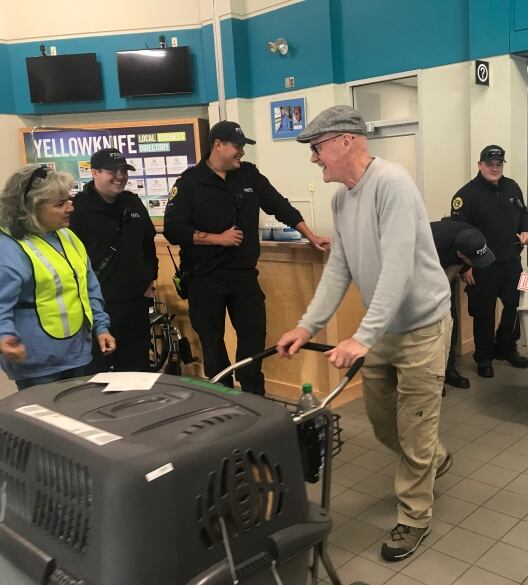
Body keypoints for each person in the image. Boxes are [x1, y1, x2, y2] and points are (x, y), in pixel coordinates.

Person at [276, 106, 452, 562]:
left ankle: (414, 516)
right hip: (381, 331)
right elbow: (340, 268)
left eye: (316, 148)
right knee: (383, 423)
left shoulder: (391, 184)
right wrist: (306, 325)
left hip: (421, 328)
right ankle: (433, 457)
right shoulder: (341, 200)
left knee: (414, 427)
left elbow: (397, 268)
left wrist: (362, 336)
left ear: (346, 141)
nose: (314, 159)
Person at [164, 120, 329, 395]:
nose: (242, 152)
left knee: (253, 339)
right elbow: (172, 229)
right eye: (237, 146)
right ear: (218, 145)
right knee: (212, 344)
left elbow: (279, 205)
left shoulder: (249, 175)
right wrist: (218, 238)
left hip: (243, 277)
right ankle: (223, 399)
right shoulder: (190, 182)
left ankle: (254, 400)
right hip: (204, 278)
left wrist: (309, 235)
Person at [0, 165, 115, 390]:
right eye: (60, 204)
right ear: (31, 208)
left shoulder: (68, 236)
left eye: (69, 199)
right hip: (37, 363)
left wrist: (101, 327)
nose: (71, 208)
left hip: (77, 354)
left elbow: (88, 286)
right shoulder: (10, 246)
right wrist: (4, 336)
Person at [70, 148, 158, 373]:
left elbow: (148, 243)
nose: (120, 176)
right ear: (95, 172)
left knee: (137, 368)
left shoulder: (133, 204)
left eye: (124, 171)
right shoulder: (77, 209)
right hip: (99, 307)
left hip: (135, 303)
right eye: (112, 171)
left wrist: (151, 276)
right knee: (98, 372)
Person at [450, 145, 528, 378]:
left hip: (512, 262)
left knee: (516, 306)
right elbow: (459, 235)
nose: (494, 168)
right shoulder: (465, 196)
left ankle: (507, 347)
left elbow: (523, 215)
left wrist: (527, 231)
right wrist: (465, 267)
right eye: (489, 164)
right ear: (480, 165)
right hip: (482, 267)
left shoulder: (512, 187)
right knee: (484, 314)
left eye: (498, 165)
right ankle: (484, 357)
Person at [430, 220, 495, 390]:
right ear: (460, 253)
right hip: (419, 276)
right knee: (430, 329)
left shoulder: (473, 237)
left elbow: (450, 275)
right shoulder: (433, 244)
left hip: (443, 273)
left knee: (450, 322)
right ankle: (431, 378)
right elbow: (430, 281)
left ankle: (448, 370)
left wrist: (467, 266)